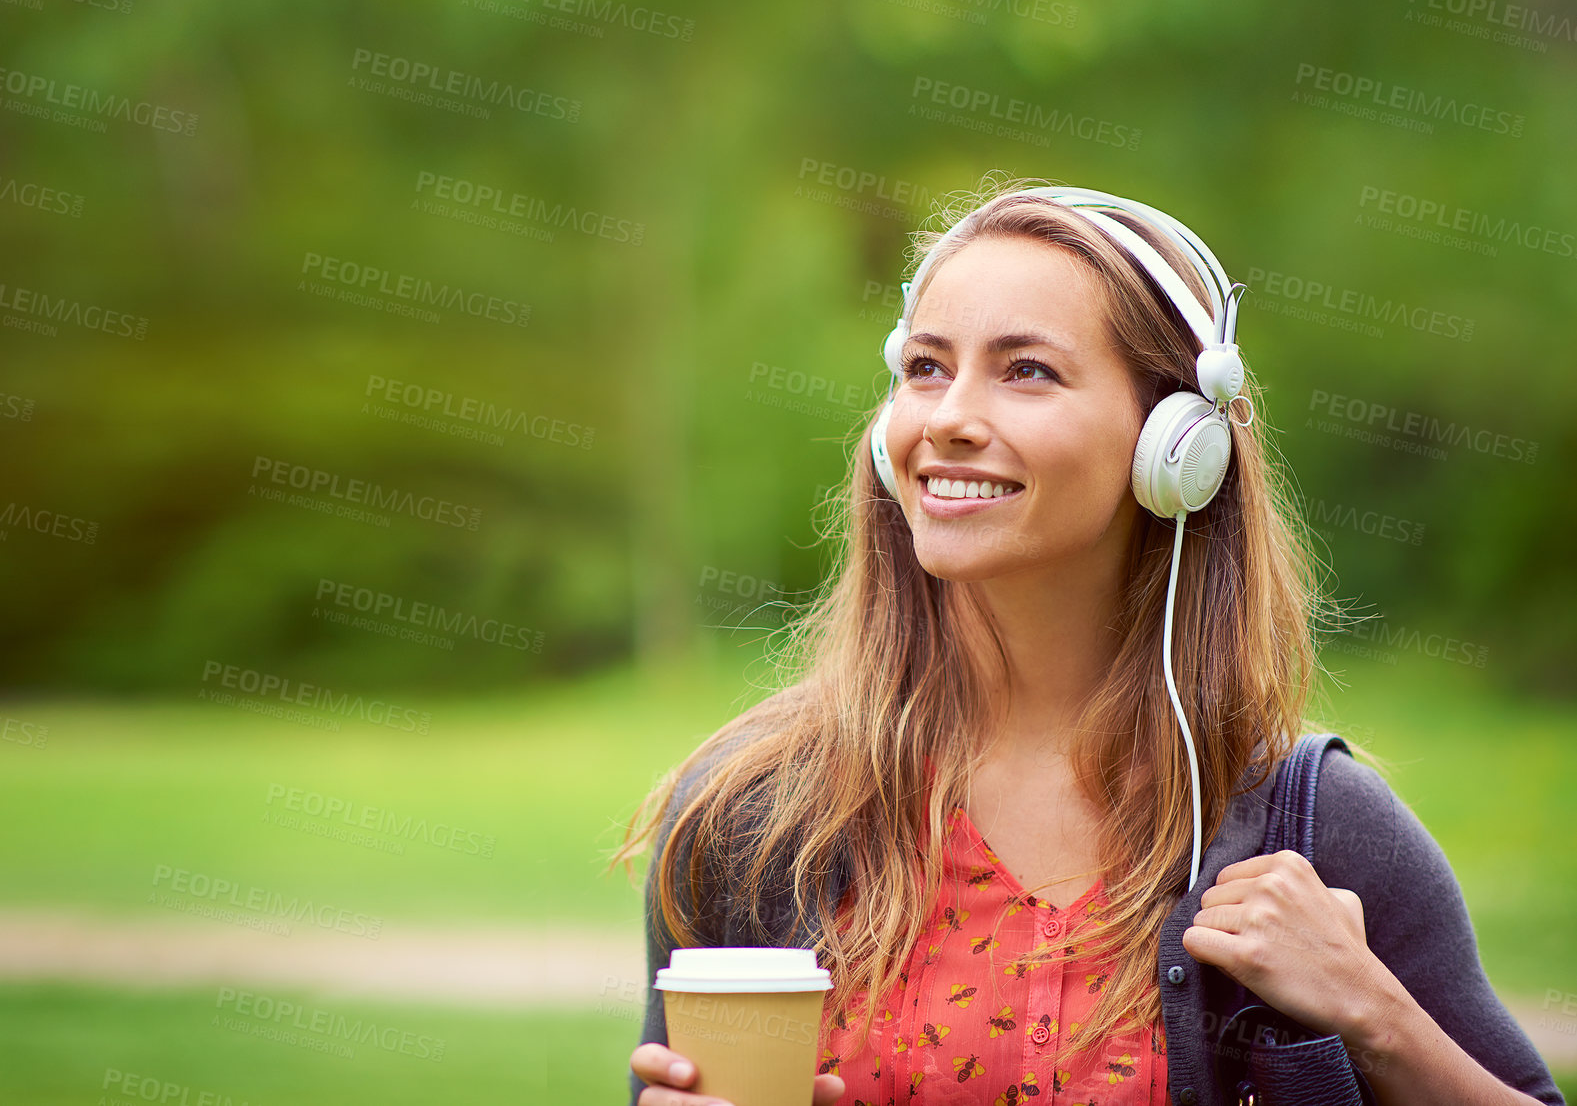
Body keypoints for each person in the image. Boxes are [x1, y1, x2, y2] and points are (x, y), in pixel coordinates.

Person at [616, 178, 1565, 1106]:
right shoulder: (756, 816)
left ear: (1173, 446)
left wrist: (1373, 1014)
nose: (947, 417)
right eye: (926, 367)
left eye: (1025, 370)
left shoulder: (1313, 829)